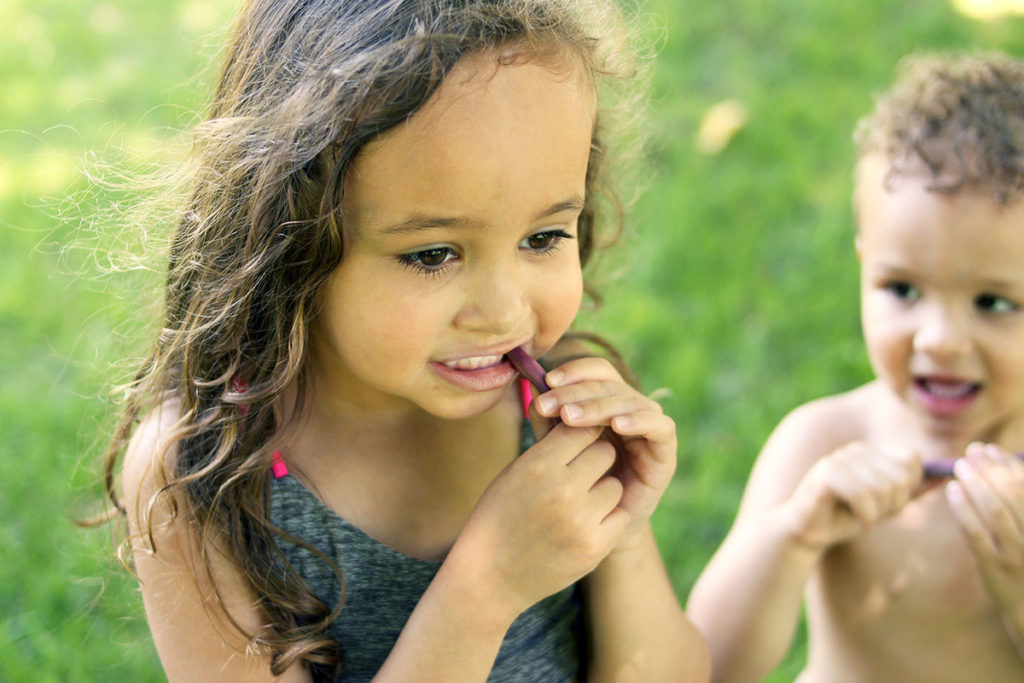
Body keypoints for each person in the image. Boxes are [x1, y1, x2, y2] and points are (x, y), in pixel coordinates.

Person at [97, 0, 710, 680]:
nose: (505, 311)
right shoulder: (203, 472)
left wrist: (618, 530)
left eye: (542, 237)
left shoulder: (556, 406)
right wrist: (484, 588)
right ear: (288, 238)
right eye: (432, 254)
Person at [686, 52, 1024, 682]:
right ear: (865, 265)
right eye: (902, 289)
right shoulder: (824, 444)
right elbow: (707, 667)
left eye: (995, 302)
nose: (941, 338)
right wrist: (794, 534)